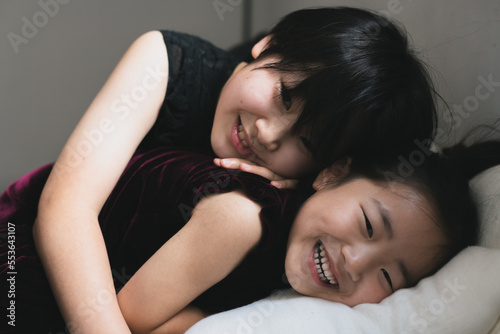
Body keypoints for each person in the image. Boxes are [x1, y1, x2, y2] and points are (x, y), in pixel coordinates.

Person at [30, 6, 440, 333]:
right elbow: (65, 209)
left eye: (309, 143)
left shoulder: (302, 215)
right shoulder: (164, 62)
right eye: (284, 96)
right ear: (268, 44)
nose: (268, 134)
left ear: (328, 169)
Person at [2, 139, 500, 333]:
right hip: (23, 254)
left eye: (388, 276)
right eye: (369, 225)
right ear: (332, 172)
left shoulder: (284, 262)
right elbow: (126, 321)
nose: (355, 260)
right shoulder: (243, 219)